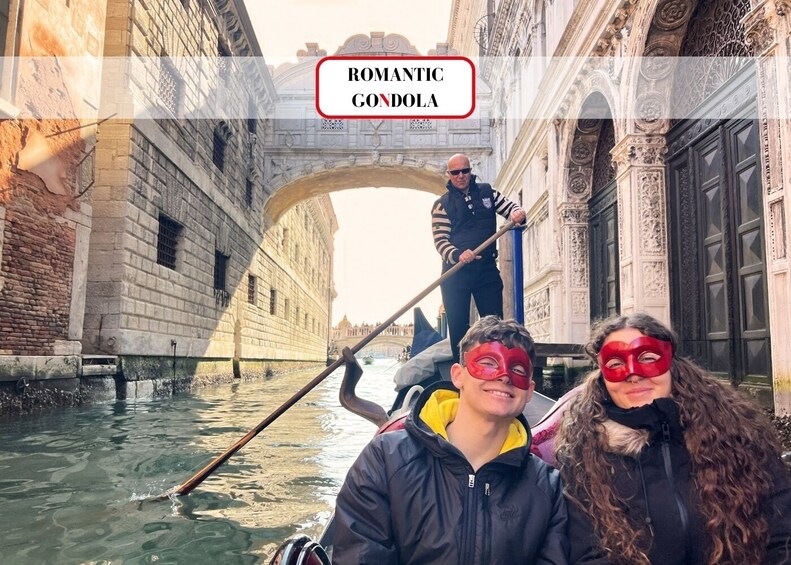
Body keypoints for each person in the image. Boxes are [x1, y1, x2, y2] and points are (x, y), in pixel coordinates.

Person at [554, 313, 791, 565]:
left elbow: (781, 536)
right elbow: (590, 554)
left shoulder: (739, 435)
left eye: (647, 358)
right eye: (615, 364)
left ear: (671, 364)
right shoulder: (582, 457)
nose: (633, 374)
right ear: (602, 376)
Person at [332, 316, 569, 564]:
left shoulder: (548, 487)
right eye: (488, 363)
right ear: (458, 376)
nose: (504, 376)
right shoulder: (384, 460)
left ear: (530, 391)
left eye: (518, 370)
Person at [431, 153, 526, 361]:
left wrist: (517, 213)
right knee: (459, 329)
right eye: (455, 172)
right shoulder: (441, 205)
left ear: (470, 171)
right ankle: (462, 376)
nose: (461, 176)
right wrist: (457, 254)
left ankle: (496, 365)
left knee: (494, 326)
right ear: (449, 174)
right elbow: (440, 241)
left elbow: (510, 208)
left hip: (486, 270)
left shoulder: (487, 193)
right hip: (455, 275)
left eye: (464, 171)